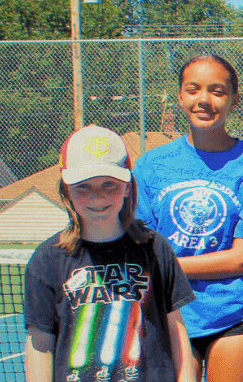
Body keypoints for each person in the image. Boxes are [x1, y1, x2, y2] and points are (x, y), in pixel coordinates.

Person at [133, 55, 243, 382]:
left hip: (234, 315)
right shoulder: (150, 166)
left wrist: (168, 266)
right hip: (167, 312)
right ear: (181, 97)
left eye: (217, 91)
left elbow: (242, 259)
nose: (204, 100)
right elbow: (143, 249)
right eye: (193, 89)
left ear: (233, 99)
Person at [24, 125, 197, 382]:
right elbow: (40, 343)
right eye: (83, 187)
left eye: (109, 184)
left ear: (127, 186)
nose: (98, 196)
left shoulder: (155, 248)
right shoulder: (47, 259)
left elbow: (177, 330)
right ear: (66, 190)